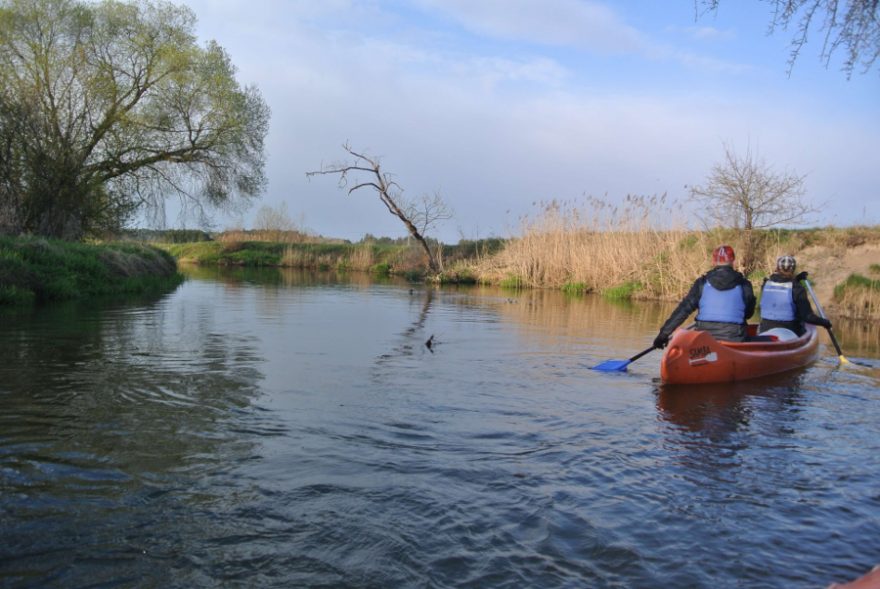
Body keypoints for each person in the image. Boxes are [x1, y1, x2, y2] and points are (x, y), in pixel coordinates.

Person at [653, 245, 756, 348]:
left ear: (714, 262)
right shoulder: (744, 284)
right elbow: (748, 314)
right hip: (734, 338)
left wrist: (663, 335)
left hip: (704, 339)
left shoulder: (702, 283)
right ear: (733, 261)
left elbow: (683, 310)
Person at [758, 255, 831, 336]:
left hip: (764, 330)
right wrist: (824, 322)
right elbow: (807, 317)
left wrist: (797, 279)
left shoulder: (766, 285)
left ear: (777, 268)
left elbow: (781, 285)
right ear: (793, 270)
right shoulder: (797, 289)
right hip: (790, 332)